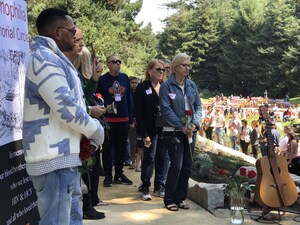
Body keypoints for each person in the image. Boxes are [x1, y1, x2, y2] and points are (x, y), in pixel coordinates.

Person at [23, 8, 104, 225]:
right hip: (52, 161)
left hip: (60, 158)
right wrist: (96, 130)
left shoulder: (52, 58)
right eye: (72, 29)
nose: (75, 33)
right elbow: (66, 107)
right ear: (58, 32)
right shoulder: (45, 59)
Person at [159, 52, 202, 211]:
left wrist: (194, 124)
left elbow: (198, 106)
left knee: (187, 165)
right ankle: (169, 198)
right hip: (175, 131)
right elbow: (166, 109)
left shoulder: (192, 85)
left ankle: (180, 198)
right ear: (175, 67)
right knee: (176, 165)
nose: (187, 68)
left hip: (190, 131)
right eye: (184, 65)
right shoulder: (166, 86)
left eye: (188, 65)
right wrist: (180, 125)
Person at [96, 54, 133, 187]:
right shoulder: (103, 80)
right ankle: (108, 175)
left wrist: (131, 117)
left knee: (121, 148)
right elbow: (97, 98)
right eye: (114, 61)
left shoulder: (124, 78)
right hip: (109, 120)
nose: (117, 64)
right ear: (108, 64)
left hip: (123, 118)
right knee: (107, 148)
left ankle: (119, 173)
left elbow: (128, 98)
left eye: (119, 61)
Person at [134, 59, 165, 201]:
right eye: (158, 69)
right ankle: (145, 186)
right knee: (150, 157)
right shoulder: (142, 87)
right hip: (149, 129)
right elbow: (138, 112)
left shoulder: (165, 87)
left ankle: (159, 186)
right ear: (150, 71)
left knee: (162, 157)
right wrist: (144, 133)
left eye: (163, 70)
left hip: (164, 129)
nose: (161, 72)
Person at [127, 76, 143, 171]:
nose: (134, 84)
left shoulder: (140, 93)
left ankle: (141, 164)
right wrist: (131, 121)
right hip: (131, 121)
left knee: (141, 144)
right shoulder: (127, 94)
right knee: (133, 143)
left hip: (140, 121)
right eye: (132, 82)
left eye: (136, 82)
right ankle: (132, 162)